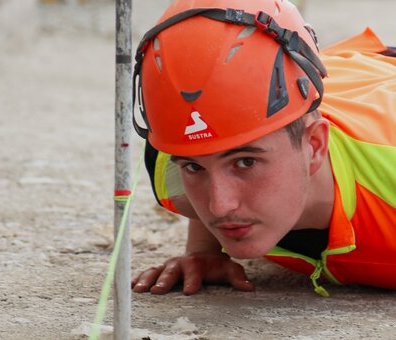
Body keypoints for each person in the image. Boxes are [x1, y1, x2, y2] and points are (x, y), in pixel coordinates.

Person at [131, 0, 396, 296]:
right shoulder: (173, 163)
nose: (219, 206)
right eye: (195, 167)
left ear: (315, 144)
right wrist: (203, 250)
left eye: (245, 163)